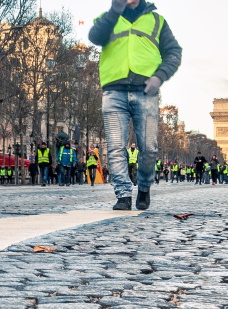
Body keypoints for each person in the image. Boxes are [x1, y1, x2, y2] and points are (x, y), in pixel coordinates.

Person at [90, 0, 182, 211]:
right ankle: (123, 194)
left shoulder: (158, 21)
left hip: (146, 91)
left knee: (149, 148)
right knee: (115, 148)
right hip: (113, 91)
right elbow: (95, 37)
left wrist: (159, 77)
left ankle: (144, 187)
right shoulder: (107, 18)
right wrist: (115, 11)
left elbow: (174, 52)